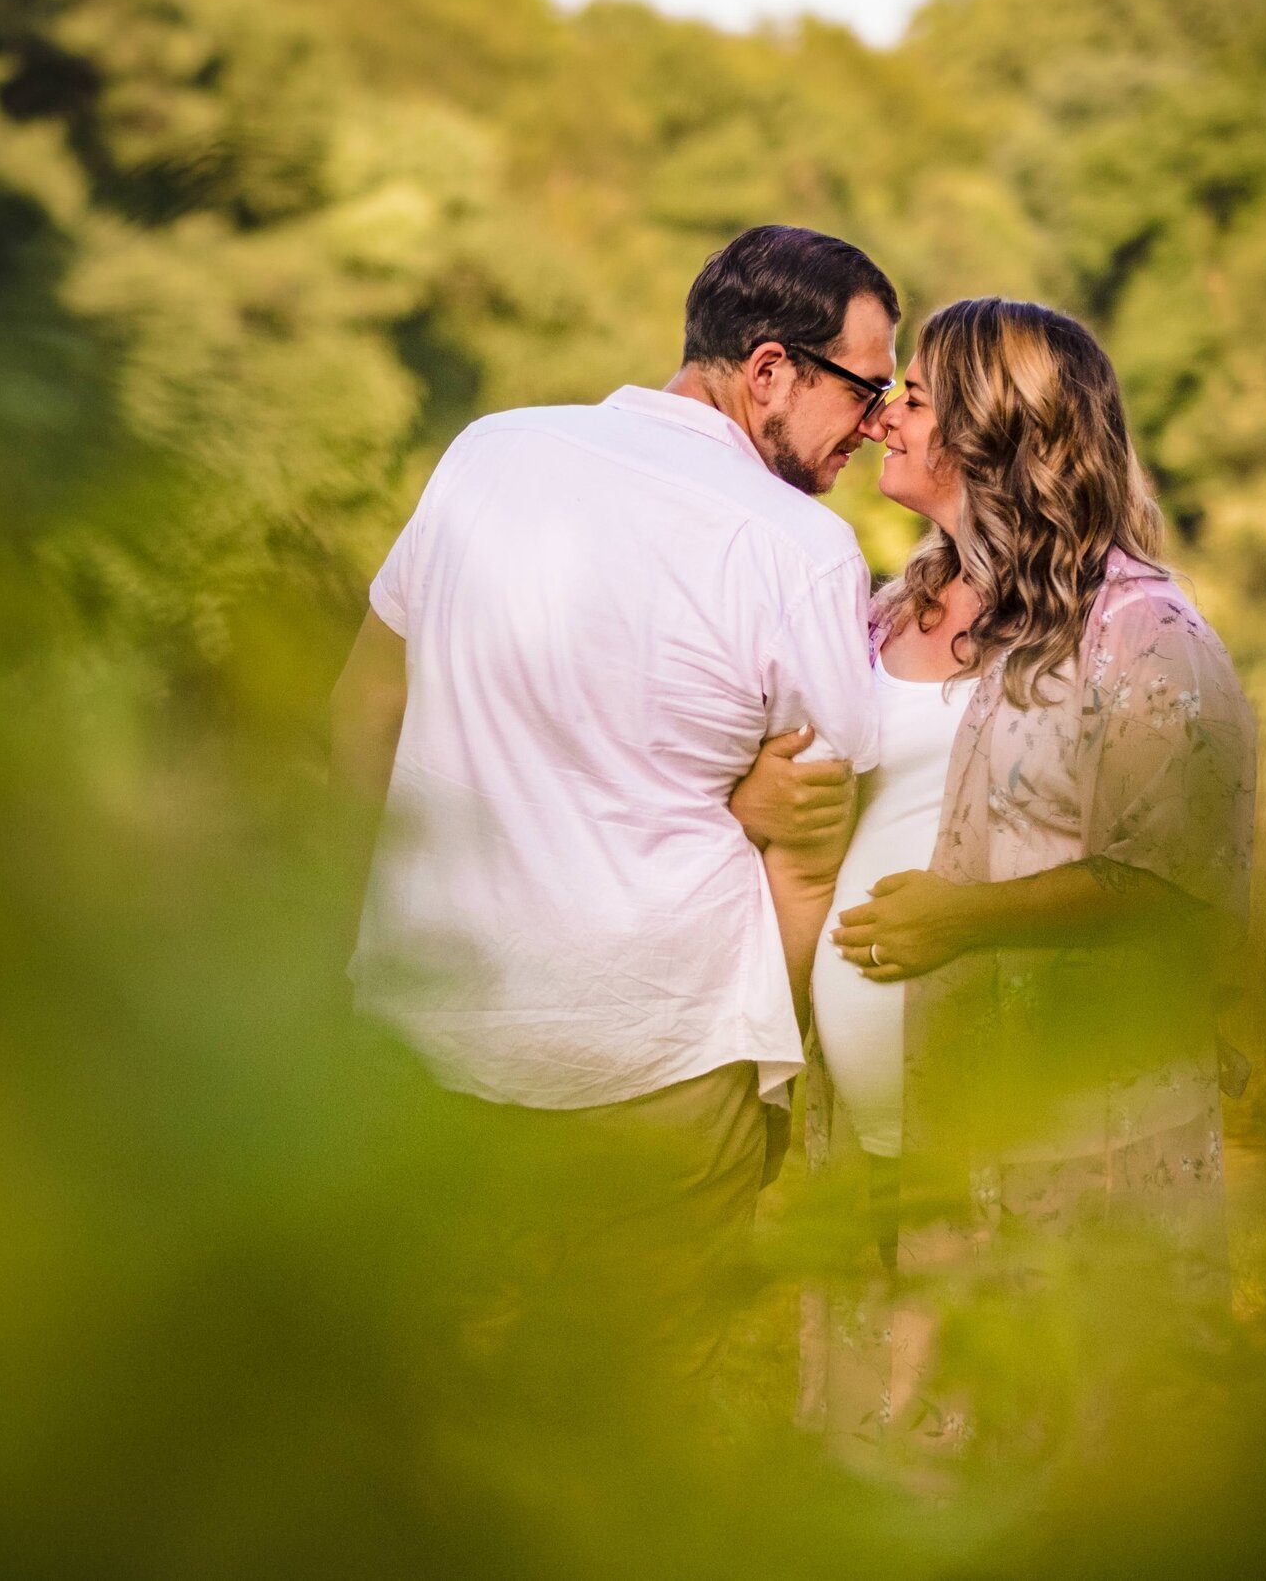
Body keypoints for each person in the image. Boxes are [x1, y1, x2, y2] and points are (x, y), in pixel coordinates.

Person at [329, 225, 898, 1375]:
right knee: (621, 1437)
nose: (880, 421)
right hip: (661, 1062)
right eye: (866, 387)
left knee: (404, 1410)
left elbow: (358, 711)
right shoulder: (801, 549)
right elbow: (813, 844)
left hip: (422, 1034)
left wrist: (382, 919)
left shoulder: (488, 451)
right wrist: (764, 1059)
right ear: (771, 369)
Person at [733, 297, 1257, 1464]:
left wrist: (966, 921)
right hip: (875, 1132)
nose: (882, 420)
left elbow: (1182, 875)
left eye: (912, 396)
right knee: (893, 1467)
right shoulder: (881, 614)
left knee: (1048, 1456)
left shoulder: (1139, 632)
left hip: (1051, 1139)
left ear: (995, 428)